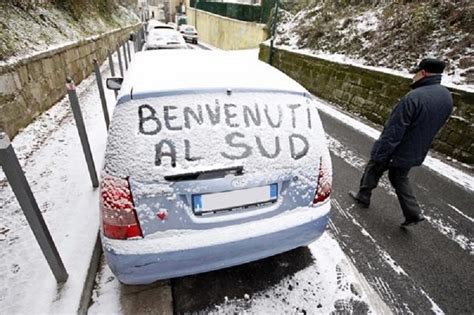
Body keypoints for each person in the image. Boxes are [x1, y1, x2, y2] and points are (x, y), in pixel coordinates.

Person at [349, 58, 453, 227]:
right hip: (416, 149)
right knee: (399, 177)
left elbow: (394, 130)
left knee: (374, 166)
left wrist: (380, 152)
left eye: (416, 72)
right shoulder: (446, 96)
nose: (413, 76)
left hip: (396, 149)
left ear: (423, 73)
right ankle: (413, 213)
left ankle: (364, 195)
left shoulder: (413, 98)